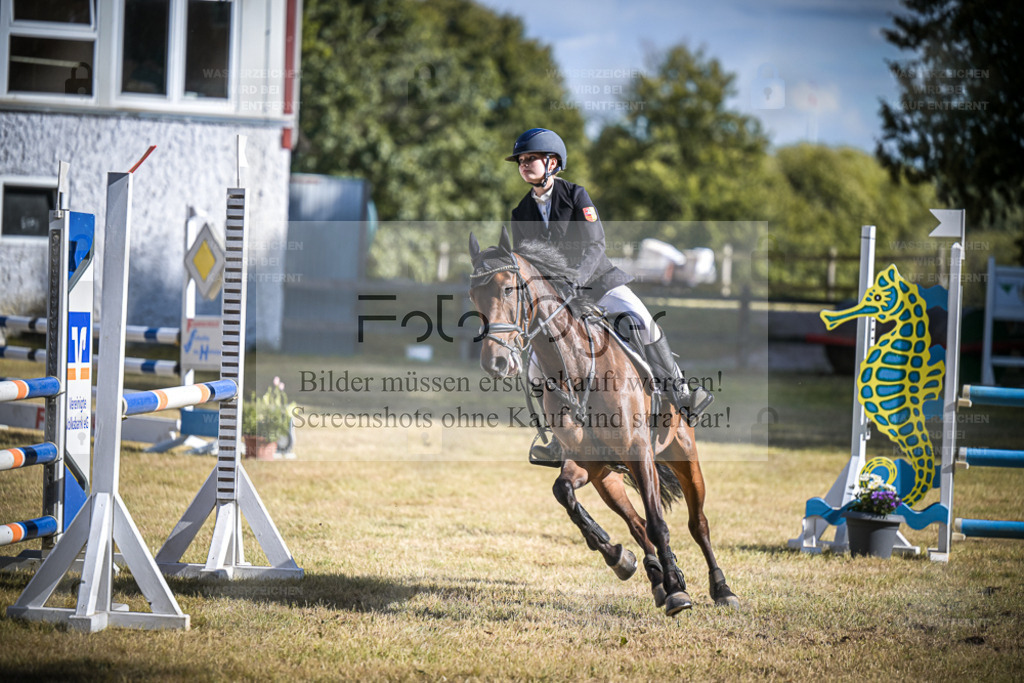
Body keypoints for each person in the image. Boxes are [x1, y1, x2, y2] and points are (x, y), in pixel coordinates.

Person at [504, 128, 713, 467]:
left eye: (530, 159)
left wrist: (576, 282)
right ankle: (558, 440)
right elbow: (526, 262)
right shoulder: (520, 212)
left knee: (643, 320)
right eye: (521, 161)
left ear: (552, 162)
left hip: (599, 282)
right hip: (557, 301)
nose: (524, 165)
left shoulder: (576, 196)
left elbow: (595, 245)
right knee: (534, 370)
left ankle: (682, 391)